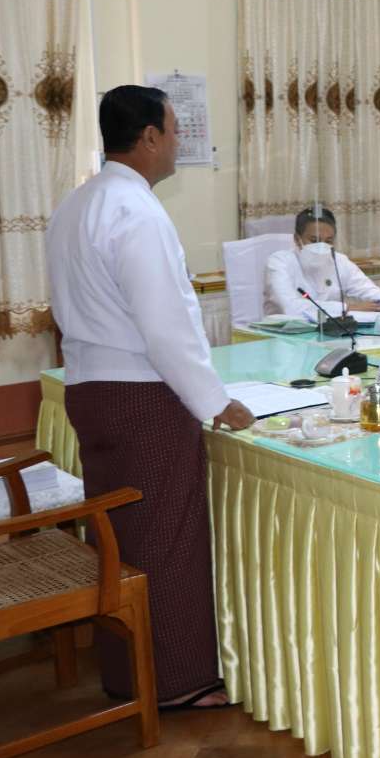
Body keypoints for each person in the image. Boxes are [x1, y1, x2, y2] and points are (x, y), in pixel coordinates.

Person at [45, 85, 253, 710]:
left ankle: (128, 674)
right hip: (142, 396)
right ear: (150, 137)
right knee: (167, 538)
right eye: (175, 129)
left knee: (123, 538)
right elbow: (164, 326)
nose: (180, 141)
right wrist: (214, 402)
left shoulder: (78, 203)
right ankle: (179, 682)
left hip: (90, 388)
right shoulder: (136, 211)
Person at [264, 207, 380, 319]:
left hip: (331, 332)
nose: (321, 246)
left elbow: (367, 289)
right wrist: (347, 308)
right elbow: (291, 308)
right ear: (297, 239)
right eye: (314, 240)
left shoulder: (339, 261)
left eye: (328, 241)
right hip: (283, 334)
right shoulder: (279, 262)